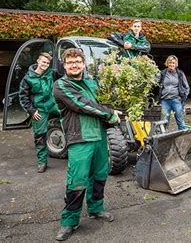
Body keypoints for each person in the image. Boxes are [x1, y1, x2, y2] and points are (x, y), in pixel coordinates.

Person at [53, 48, 121, 241]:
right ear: (64, 66)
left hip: (99, 136)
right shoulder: (61, 85)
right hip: (79, 139)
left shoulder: (92, 83)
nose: (74, 65)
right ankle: (69, 221)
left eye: (77, 61)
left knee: (99, 175)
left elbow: (104, 100)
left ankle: (95, 209)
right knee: (77, 180)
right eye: (70, 62)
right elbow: (82, 104)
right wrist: (109, 114)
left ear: (83, 64)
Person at [19, 52, 59, 173]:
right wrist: (31, 111)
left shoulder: (52, 73)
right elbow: (23, 97)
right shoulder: (28, 78)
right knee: (40, 136)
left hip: (53, 104)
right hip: (39, 109)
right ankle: (42, 162)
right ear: (38, 61)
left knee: (71, 118)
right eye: (43, 62)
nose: (45, 64)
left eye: (47, 63)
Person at [159, 55, 190, 130]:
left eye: (173, 63)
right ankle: (164, 138)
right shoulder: (162, 73)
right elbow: (153, 81)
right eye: (170, 62)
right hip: (165, 100)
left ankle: (182, 137)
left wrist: (183, 97)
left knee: (180, 121)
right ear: (167, 63)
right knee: (164, 122)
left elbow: (187, 87)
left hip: (176, 100)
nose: (171, 64)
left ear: (176, 64)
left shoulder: (180, 74)